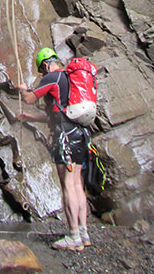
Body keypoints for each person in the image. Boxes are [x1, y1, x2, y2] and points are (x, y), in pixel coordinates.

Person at [18, 47, 90, 252]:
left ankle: (73, 236)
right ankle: (83, 233)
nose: (42, 73)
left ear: (45, 64)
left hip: (65, 138)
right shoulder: (67, 79)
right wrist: (30, 118)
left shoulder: (52, 77)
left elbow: (30, 99)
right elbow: (55, 115)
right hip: (79, 135)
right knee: (77, 183)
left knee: (67, 185)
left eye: (41, 69)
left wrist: (23, 89)